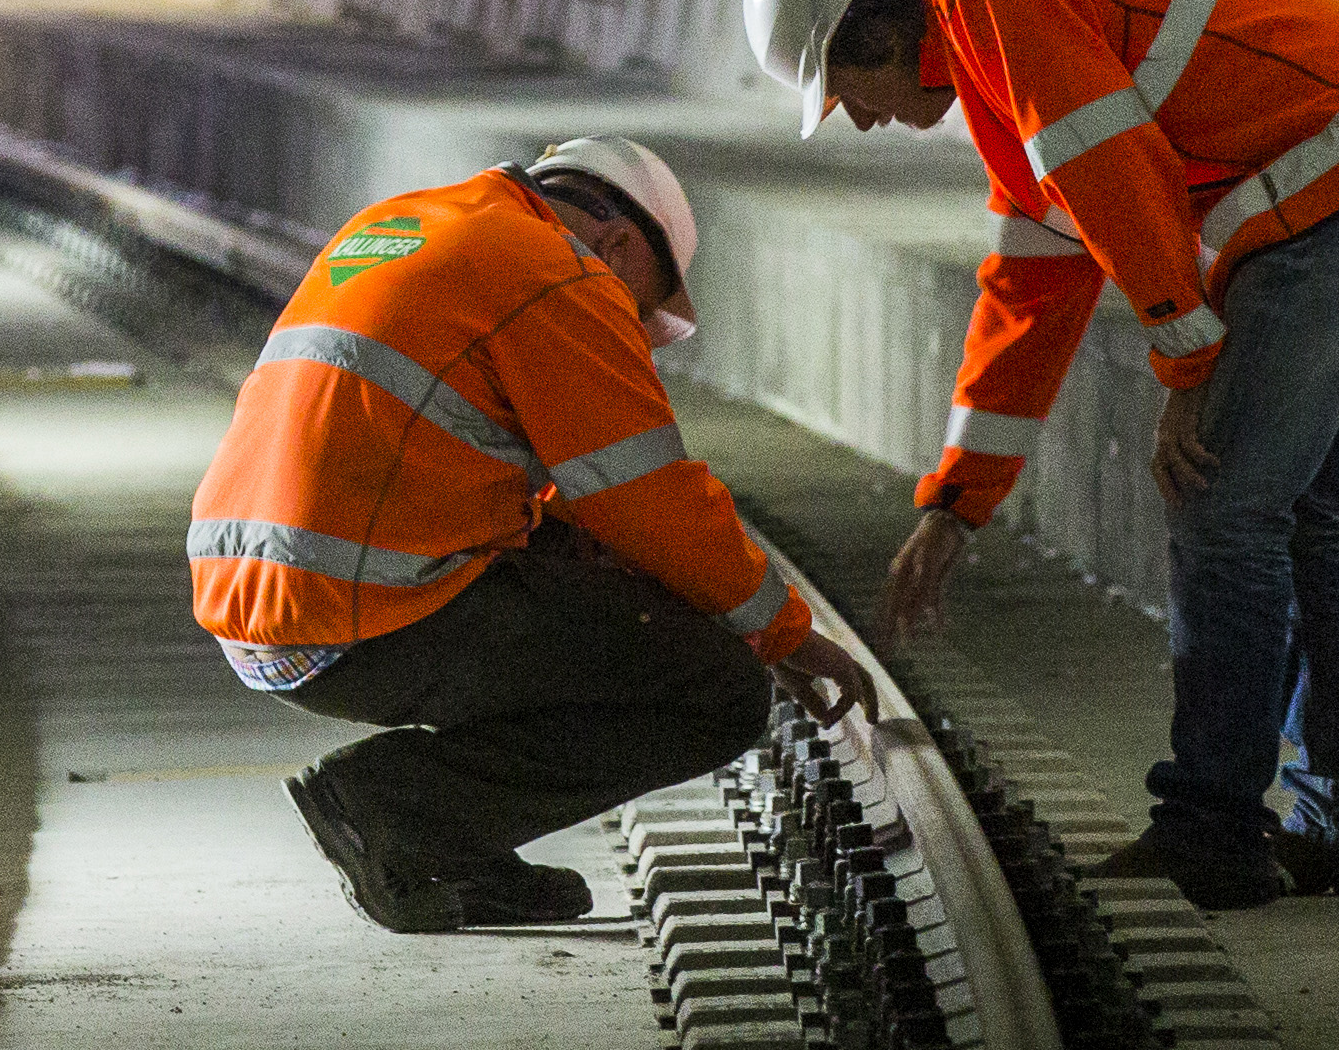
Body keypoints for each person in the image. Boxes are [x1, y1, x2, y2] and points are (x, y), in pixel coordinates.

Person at [741, 0, 1339, 911]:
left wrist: (1185, 361)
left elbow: (1113, 166)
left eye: (846, 89)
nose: (858, 114)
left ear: (875, 36)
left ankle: (1214, 830)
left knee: (1226, 509)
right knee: (1302, 505)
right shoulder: (996, 63)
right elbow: (1032, 287)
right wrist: (958, 501)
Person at [190, 134, 866, 931]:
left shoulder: (409, 225)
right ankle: (396, 807)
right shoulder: (560, 273)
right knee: (712, 688)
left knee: (608, 584)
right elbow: (647, 497)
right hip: (359, 605)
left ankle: (443, 844)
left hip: (257, 597)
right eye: (641, 308)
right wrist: (780, 631)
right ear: (615, 243)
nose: (636, 331)